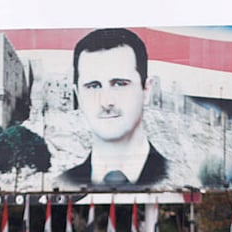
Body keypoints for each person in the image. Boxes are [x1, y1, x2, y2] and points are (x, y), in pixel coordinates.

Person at [59, 28, 168, 189]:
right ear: (78, 95)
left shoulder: (176, 178)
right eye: (93, 86)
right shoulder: (65, 181)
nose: (106, 102)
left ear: (146, 89)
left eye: (119, 84)